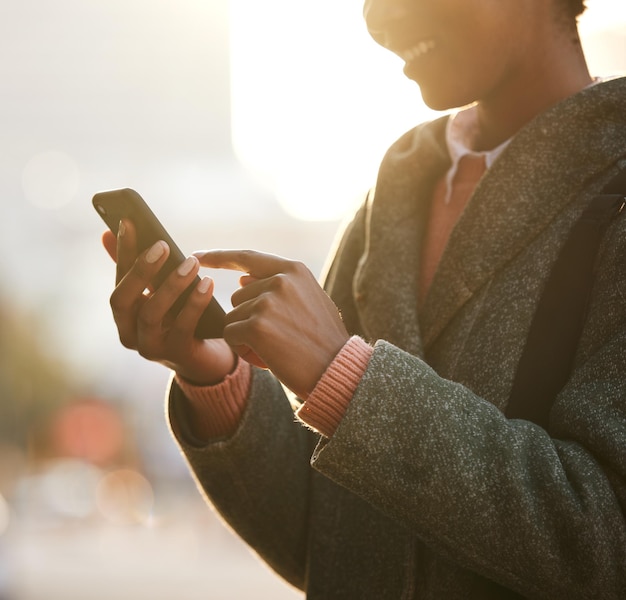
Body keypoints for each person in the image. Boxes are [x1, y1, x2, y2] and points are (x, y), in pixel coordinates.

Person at [101, 0, 626, 597]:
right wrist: (216, 380)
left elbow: (609, 546)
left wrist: (346, 380)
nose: (379, 20)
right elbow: (326, 542)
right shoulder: (393, 198)